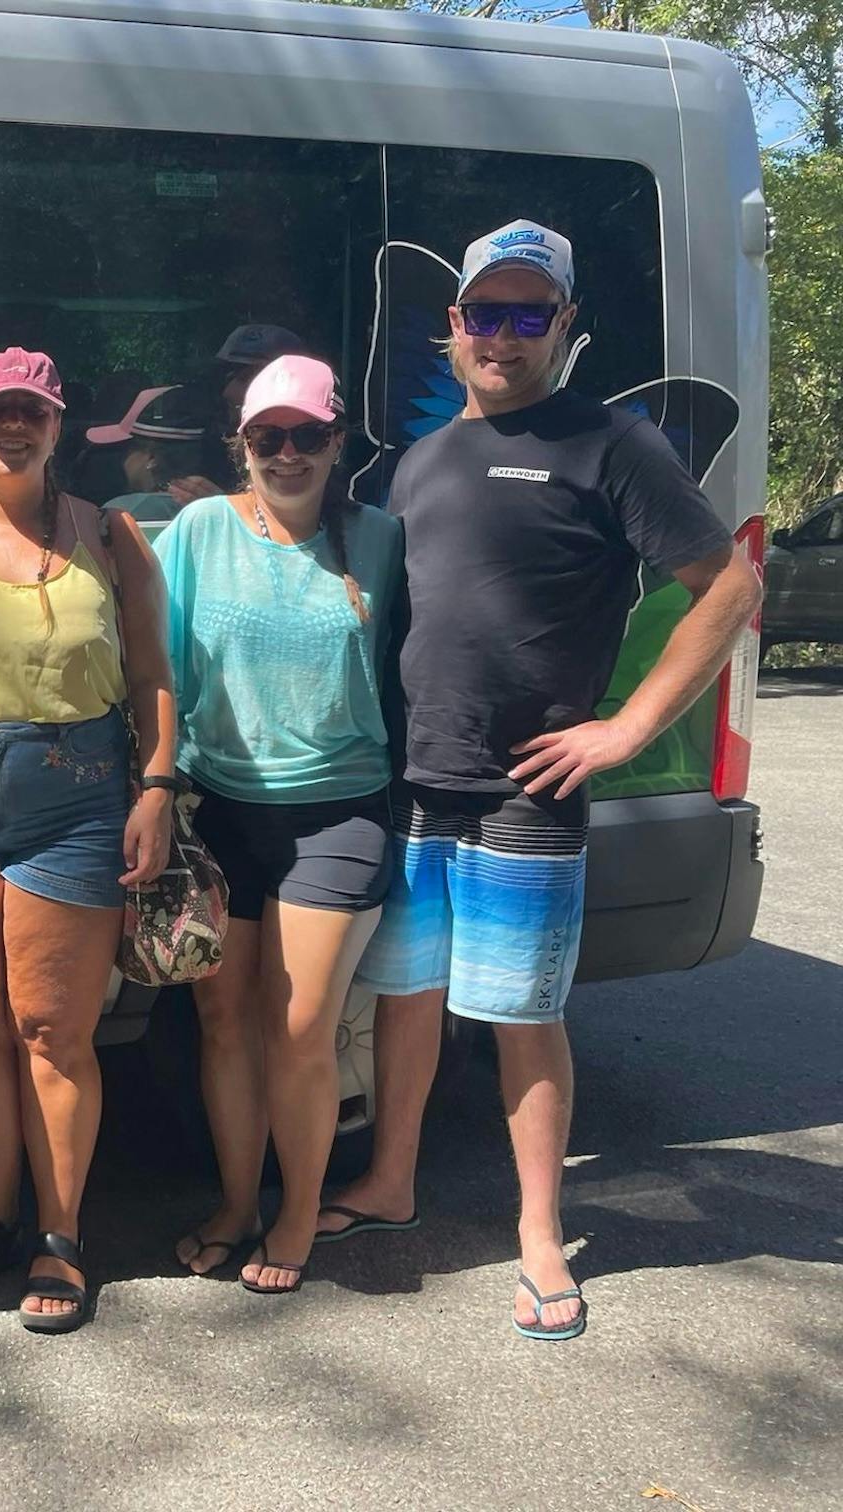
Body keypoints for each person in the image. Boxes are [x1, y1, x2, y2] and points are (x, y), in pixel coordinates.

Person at [327, 221, 761, 1338]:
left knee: (523, 1015)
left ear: (564, 328)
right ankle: (390, 1183)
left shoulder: (610, 444)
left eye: (530, 315)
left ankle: (537, 1233)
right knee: (407, 1002)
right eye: (486, 313)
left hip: (530, 792)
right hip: (416, 783)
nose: (504, 337)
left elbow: (726, 585)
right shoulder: (418, 460)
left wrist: (626, 729)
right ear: (453, 325)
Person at [0, 347, 175, 1335]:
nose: (12, 429)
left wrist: (156, 786)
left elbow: (152, 673)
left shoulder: (110, 534)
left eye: (33, 412)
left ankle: (60, 1235)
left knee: (54, 1035)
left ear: (58, 425)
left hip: (79, 799)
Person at [151, 356, 406, 1293]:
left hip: (339, 812)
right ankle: (236, 1202)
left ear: (338, 444)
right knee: (222, 1021)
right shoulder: (199, 530)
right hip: (220, 809)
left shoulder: (380, 540)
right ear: (242, 445)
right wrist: (153, 783)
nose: (288, 454)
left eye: (309, 437)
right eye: (269, 438)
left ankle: (298, 1209)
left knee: (299, 1028)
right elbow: (162, 666)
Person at [85, 384, 228, 520]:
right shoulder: (226, 512)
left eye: (128, 449)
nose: (122, 460)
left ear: (152, 458)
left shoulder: (119, 514)